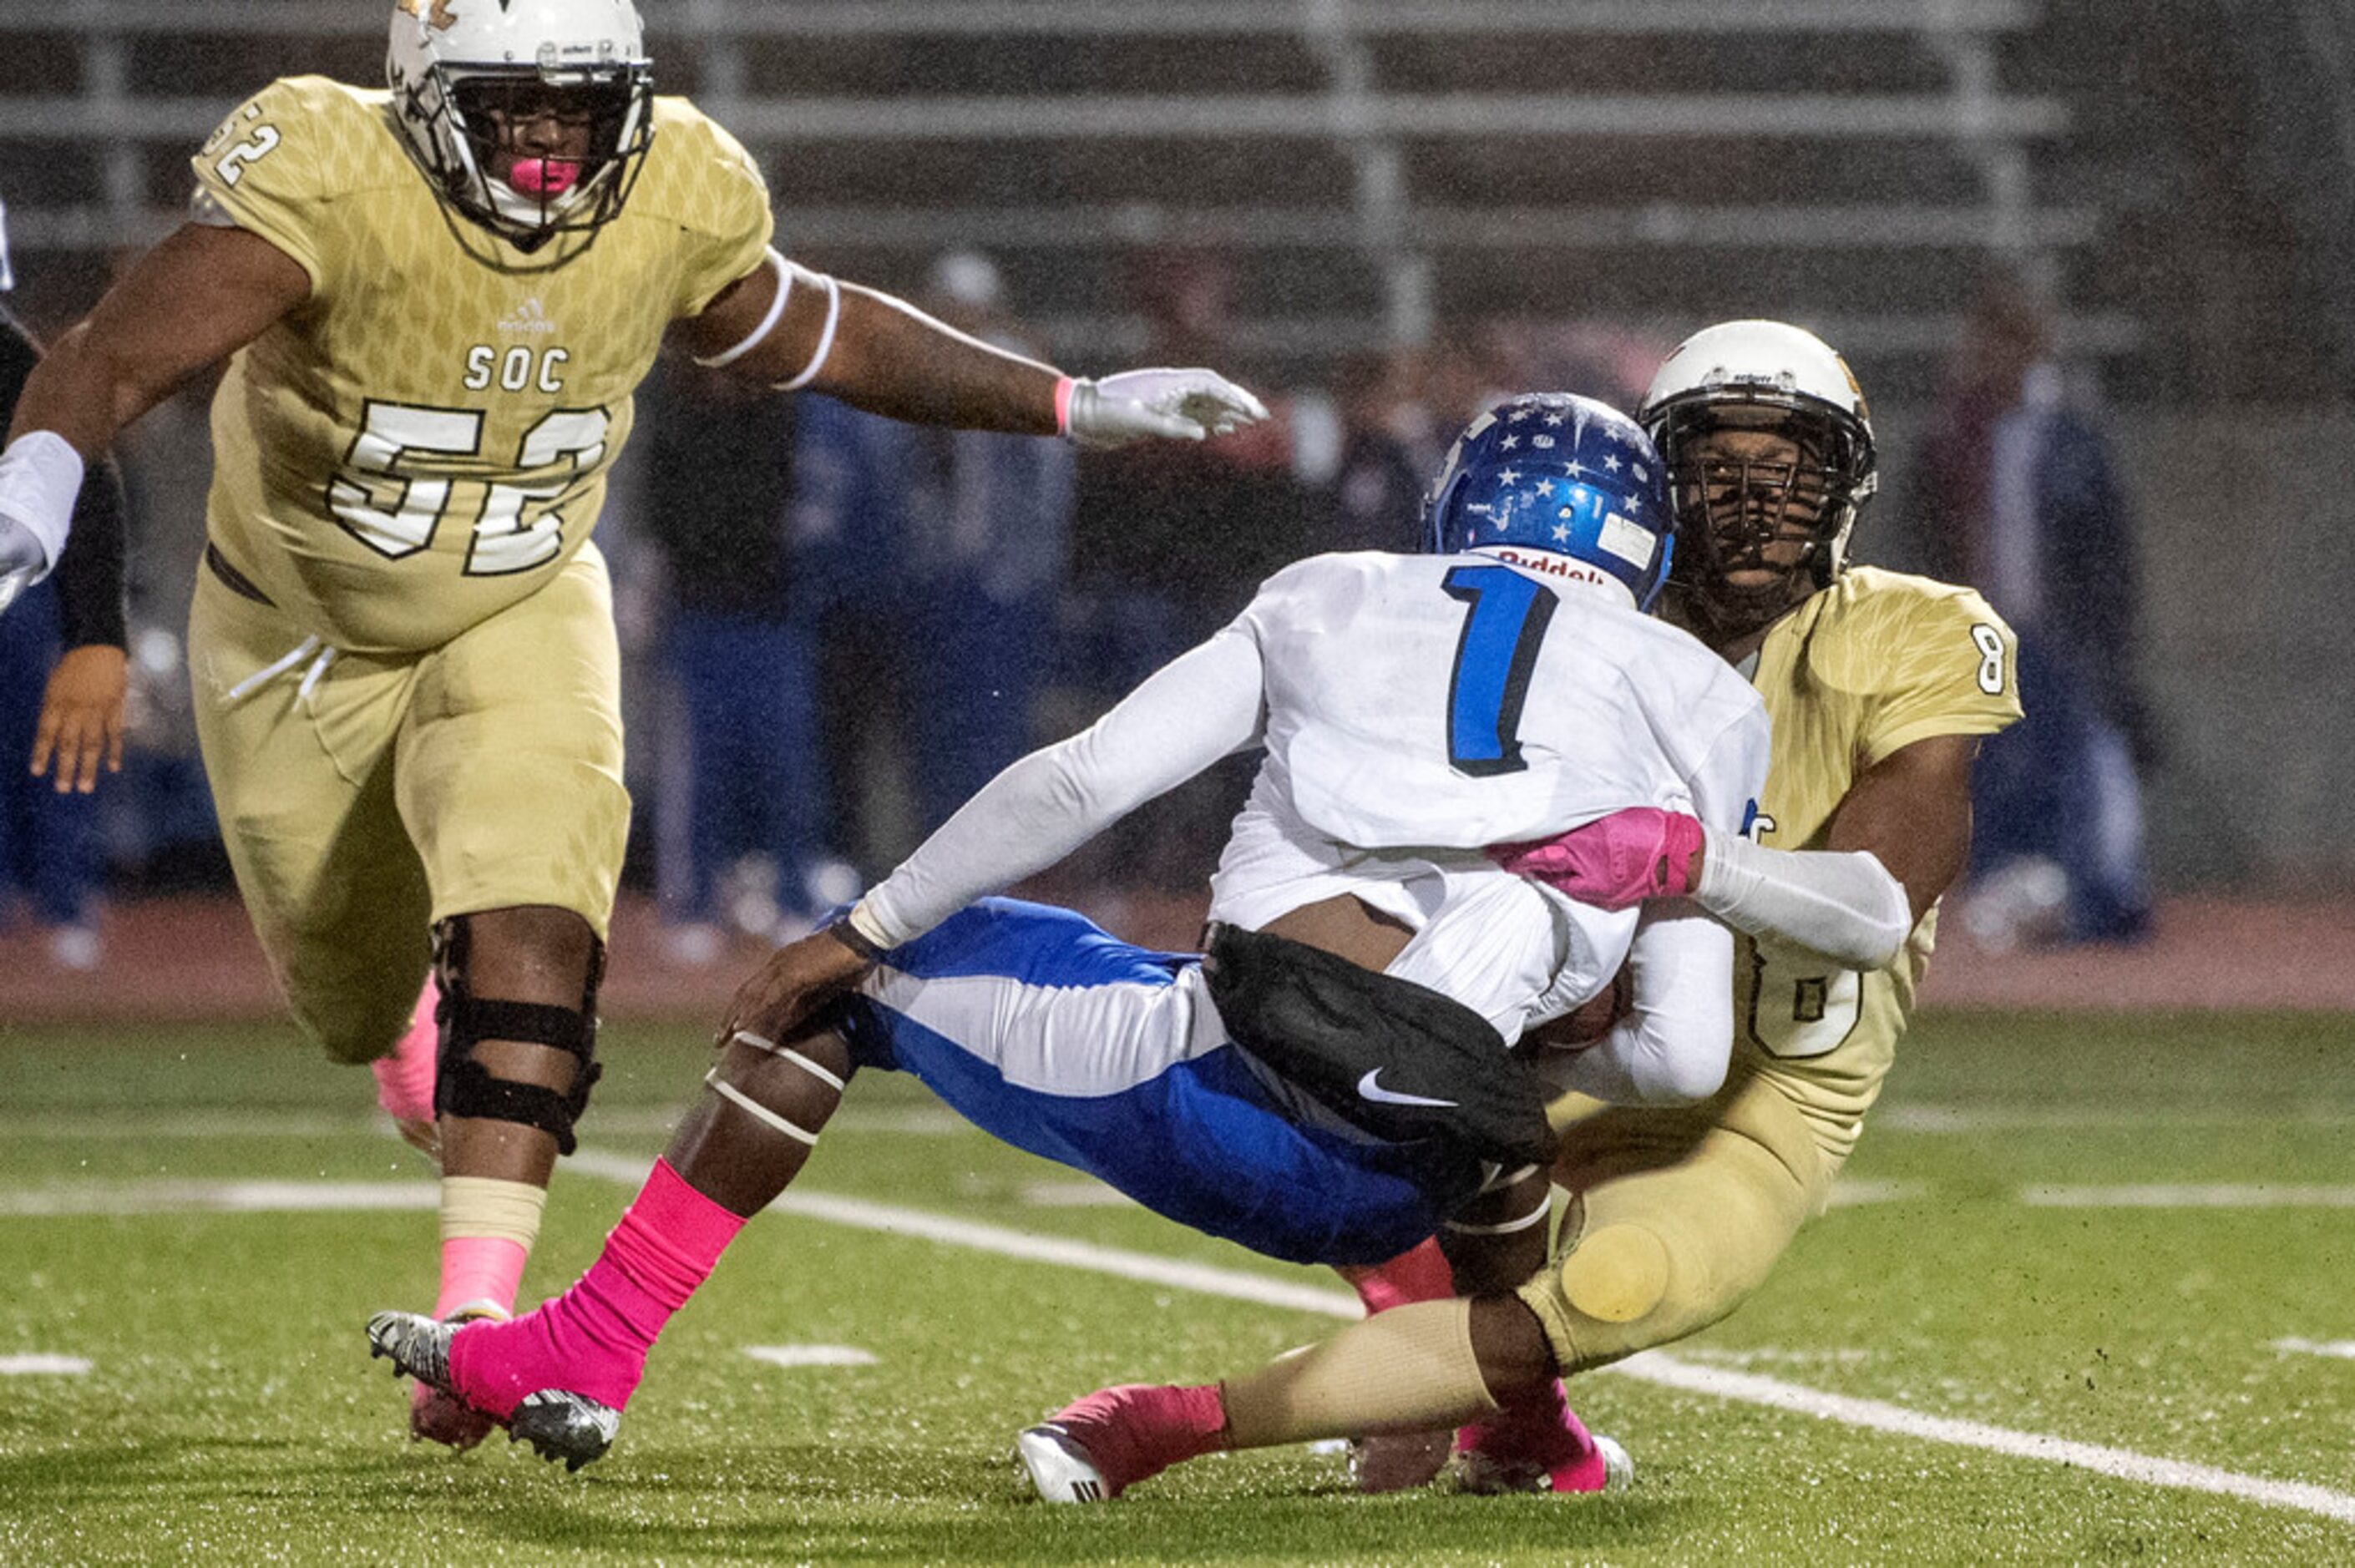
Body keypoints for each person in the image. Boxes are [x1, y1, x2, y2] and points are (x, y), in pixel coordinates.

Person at [0, 0, 1264, 1450]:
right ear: (422, 101)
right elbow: (107, 355)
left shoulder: (675, 186)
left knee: (538, 925)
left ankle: (477, 1325)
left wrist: (1072, 400)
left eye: (581, 108)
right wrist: (37, 482)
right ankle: (394, 1031)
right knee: (346, 990)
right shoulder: (331, 177)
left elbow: (825, 330)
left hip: (519, 596)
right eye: (513, 110)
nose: (552, 144)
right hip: (295, 636)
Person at [364, 392, 1772, 1475]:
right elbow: (1685, 1048)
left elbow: (1087, 776)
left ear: (1460, 504)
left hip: (1219, 1106)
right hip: (1412, 1175)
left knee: (852, 989)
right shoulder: (1710, 702)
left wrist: (858, 926)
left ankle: (594, 1344)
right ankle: (1528, 1428)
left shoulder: (1336, 591)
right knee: (1488, 1083)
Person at [1012, 319, 2024, 1504]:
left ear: (1845, 483)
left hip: (1768, 1098)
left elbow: (1872, 904)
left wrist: (1688, 863)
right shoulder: (1569, 627)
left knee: (1612, 1292)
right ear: (1659, 487)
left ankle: (1160, 1423)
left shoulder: (1910, 631)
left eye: (1790, 465)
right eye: (1717, 467)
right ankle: (1497, 1412)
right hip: (1577, 1046)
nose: (1755, 500)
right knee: (1336, 1091)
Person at [1909, 280, 2153, 947]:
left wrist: (2110, 647)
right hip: (1983, 639)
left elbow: (2108, 551)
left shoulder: (2069, 439)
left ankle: (2101, 901)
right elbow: (1927, 539)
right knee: (1988, 776)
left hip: (2062, 638)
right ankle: (2008, 905)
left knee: (2080, 773)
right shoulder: (1950, 439)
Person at [0, 195, 129, 968]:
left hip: (15, 591)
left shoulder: (17, 365)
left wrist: (98, 635)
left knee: (49, 744)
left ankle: (64, 900)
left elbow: (87, 479)